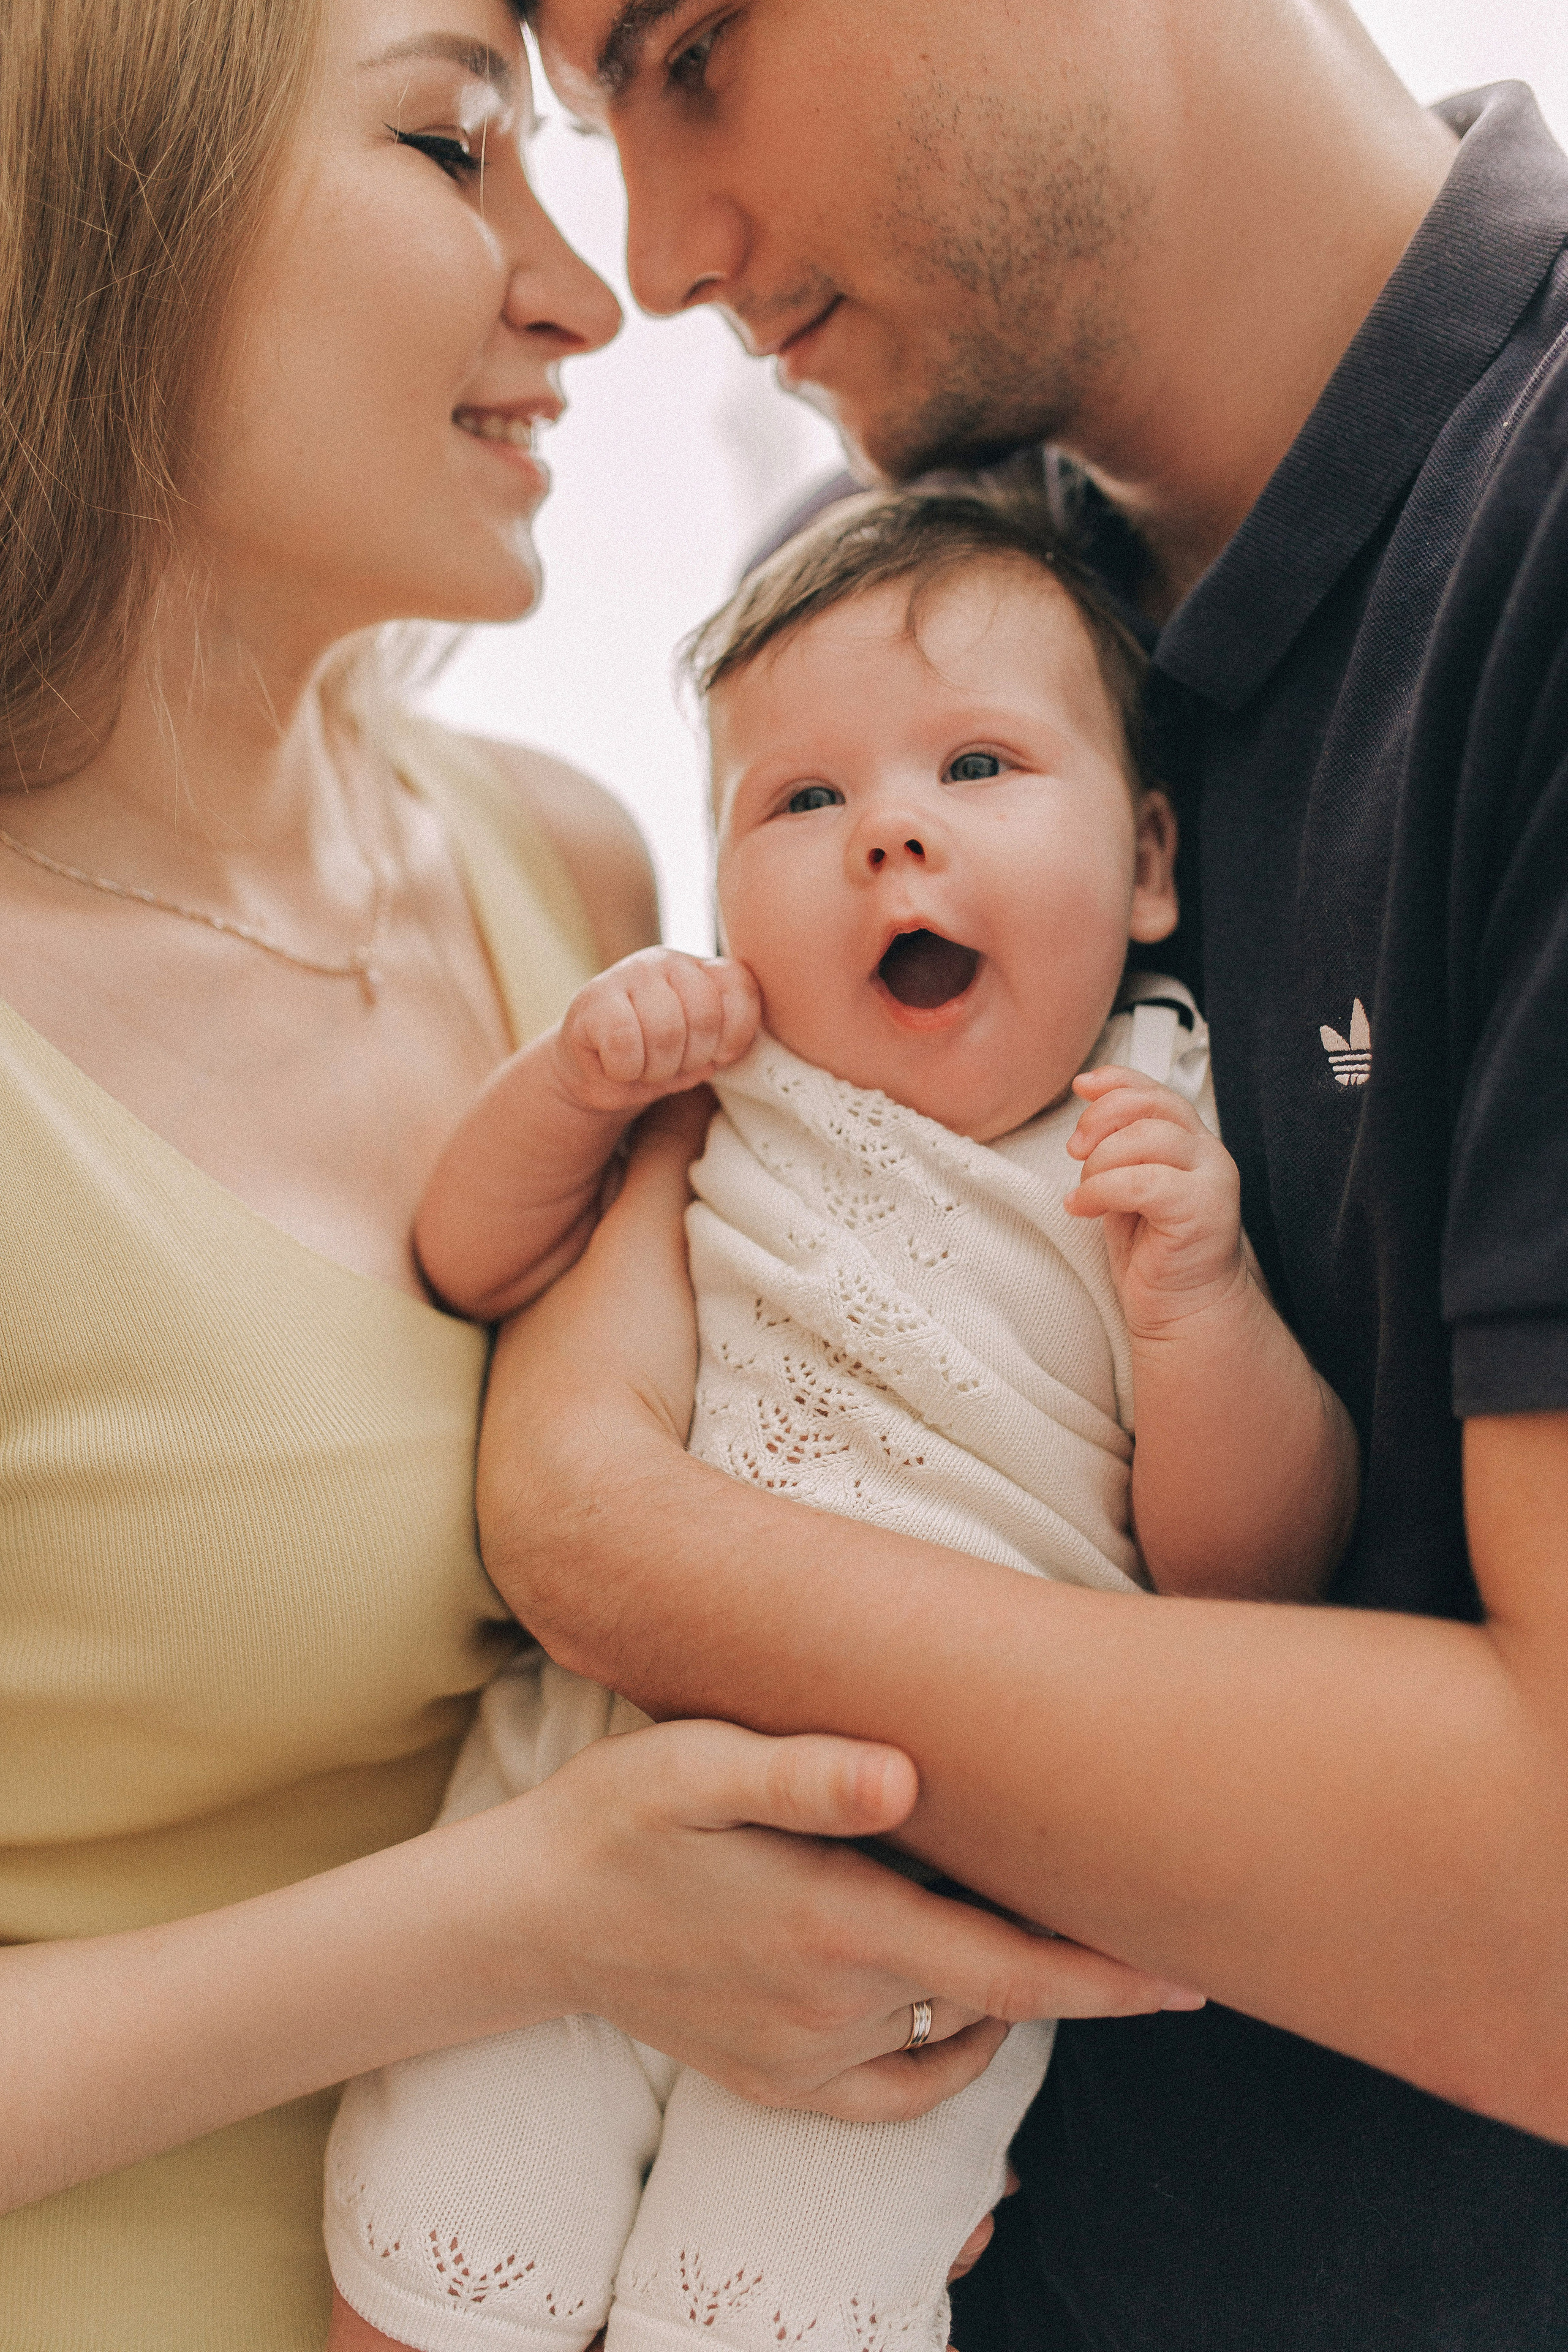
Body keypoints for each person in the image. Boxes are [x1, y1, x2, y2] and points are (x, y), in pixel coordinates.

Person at [0, 7, 1194, 2349]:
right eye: (455, 147)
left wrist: (807, 2021)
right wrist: (541, 1922)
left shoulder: (566, 877)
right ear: (106, 198)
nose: (593, 291)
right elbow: (583, 1867)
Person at [470, 2, 1568, 2345]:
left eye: (691, 48)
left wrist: (604, 1535)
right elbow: (694, 1207)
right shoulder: (887, 596)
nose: (652, 258)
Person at [323, 486, 1357, 2352]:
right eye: (800, 799)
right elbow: (470, 1259)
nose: (889, 829)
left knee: (779, 2302)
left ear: (1147, 861)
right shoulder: (722, 1079)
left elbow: (1250, 1573)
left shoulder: (1159, 1131)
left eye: (977, 766)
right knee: (438, 2232)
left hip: (932, 1891)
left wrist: (1202, 1310)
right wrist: (573, 1087)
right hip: (586, 1790)